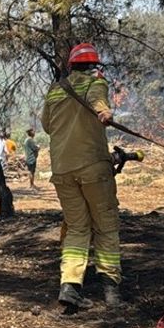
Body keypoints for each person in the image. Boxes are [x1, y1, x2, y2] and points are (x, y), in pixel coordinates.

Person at [41, 41, 122, 310]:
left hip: (62, 170)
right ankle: (111, 290)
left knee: (77, 228)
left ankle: (70, 286)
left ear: (72, 66)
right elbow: (99, 102)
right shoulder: (95, 82)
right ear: (94, 65)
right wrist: (104, 111)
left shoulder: (55, 89)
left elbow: (47, 126)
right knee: (105, 226)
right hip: (92, 166)